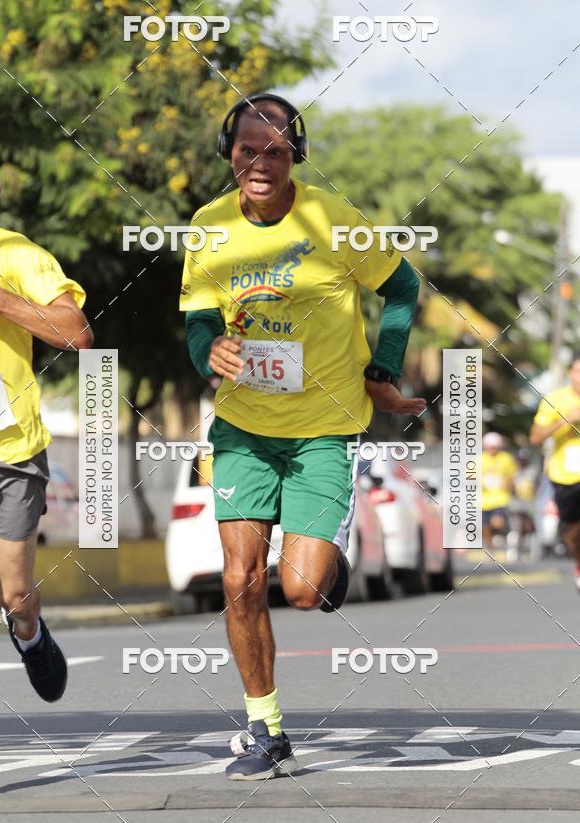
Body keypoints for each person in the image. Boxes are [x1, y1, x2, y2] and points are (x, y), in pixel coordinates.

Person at [181, 93, 425, 780]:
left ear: (297, 156)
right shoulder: (207, 226)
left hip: (323, 428)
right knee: (239, 580)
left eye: (277, 151)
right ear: (229, 154)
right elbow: (199, 315)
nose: (261, 164)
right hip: (243, 429)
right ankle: (266, 728)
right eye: (247, 150)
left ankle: (324, 569)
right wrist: (209, 354)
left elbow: (403, 289)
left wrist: (383, 367)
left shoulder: (334, 220)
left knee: (301, 589)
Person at [0, 141, 92, 700]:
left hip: (12, 453)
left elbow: (77, 334)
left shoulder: (19, 256)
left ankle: (28, 632)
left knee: (15, 594)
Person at [530, 353, 580, 590]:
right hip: (565, 474)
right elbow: (536, 437)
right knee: (572, 530)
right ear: (571, 373)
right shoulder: (555, 399)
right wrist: (565, 420)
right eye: (579, 372)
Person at [481, 431, 518, 549]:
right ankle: (490, 547)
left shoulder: (506, 459)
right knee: (484, 527)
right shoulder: (479, 460)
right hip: (482, 501)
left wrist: (506, 484)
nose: (492, 449)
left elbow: (512, 477)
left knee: (497, 522)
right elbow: (469, 476)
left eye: (494, 446)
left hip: (500, 499)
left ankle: (502, 535)